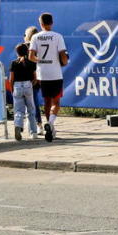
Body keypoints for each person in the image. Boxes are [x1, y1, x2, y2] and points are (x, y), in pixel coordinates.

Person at [28, 12, 68, 142]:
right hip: (55, 73)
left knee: (46, 101)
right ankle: (50, 124)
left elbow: (31, 56)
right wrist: (65, 62)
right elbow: (62, 54)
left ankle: (48, 125)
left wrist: (40, 60)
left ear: (41, 24)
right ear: (52, 23)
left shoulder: (35, 37)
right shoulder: (57, 36)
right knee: (56, 103)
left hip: (42, 73)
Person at [7, 42, 39, 141]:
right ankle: (33, 132)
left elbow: (11, 79)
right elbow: (35, 77)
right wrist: (31, 85)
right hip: (28, 85)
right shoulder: (31, 63)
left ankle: (18, 125)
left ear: (17, 53)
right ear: (27, 51)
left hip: (17, 86)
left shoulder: (14, 63)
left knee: (18, 110)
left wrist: (12, 89)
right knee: (31, 110)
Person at [21, 26, 43, 126]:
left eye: (25, 34)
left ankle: (38, 123)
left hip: (29, 77)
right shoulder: (40, 46)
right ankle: (33, 121)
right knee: (33, 101)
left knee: (31, 101)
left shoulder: (25, 47)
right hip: (39, 75)